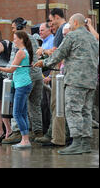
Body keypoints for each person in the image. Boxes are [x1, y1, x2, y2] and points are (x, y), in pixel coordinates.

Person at [34, 13, 99, 155]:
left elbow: (59, 54)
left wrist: (43, 63)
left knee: (73, 110)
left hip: (76, 80)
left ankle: (76, 143)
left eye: (70, 23)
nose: (69, 26)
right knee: (86, 112)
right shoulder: (92, 38)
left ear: (75, 23)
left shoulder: (72, 36)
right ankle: (85, 143)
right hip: (91, 81)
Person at [0, 30, 34, 149]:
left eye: (15, 38)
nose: (13, 41)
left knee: (17, 113)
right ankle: (25, 139)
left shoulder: (20, 53)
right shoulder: (23, 52)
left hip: (22, 84)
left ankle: (25, 140)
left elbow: (11, 70)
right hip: (22, 83)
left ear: (21, 39)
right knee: (22, 113)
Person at [2, 17, 43, 144]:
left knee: (18, 108)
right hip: (38, 77)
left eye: (14, 28)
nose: (13, 31)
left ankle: (18, 132)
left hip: (25, 79)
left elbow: (13, 64)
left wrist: (5, 74)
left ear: (19, 27)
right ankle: (38, 132)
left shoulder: (20, 40)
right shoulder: (33, 39)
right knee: (35, 106)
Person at [34, 8, 71, 147]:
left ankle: (58, 138)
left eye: (50, 21)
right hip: (59, 71)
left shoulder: (62, 30)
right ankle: (56, 135)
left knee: (57, 105)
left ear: (56, 17)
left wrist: (43, 56)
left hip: (58, 72)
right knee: (57, 105)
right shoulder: (64, 29)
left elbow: (56, 54)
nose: (50, 25)